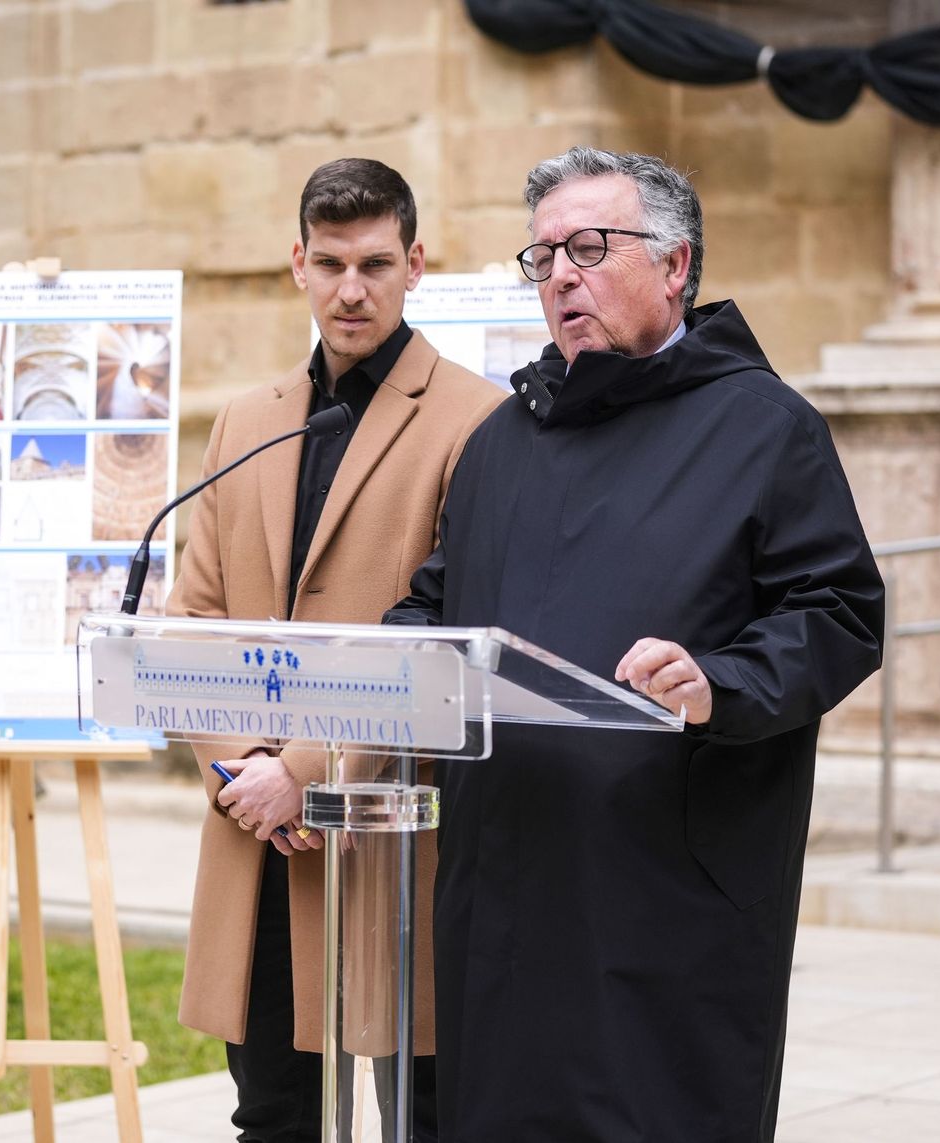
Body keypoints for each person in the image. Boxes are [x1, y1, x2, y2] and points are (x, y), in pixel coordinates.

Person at [386, 147, 885, 1141]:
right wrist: (391, 661)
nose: (561, 274)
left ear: (675, 265)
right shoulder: (500, 443)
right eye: (542, 257)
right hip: (503, 888)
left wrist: (720, 681)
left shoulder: (763, 428)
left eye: (588, 247)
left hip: (663, 890)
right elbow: (438, 604)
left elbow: (836, 611)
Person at [166, 158, 505, 1142]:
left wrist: (303, 772)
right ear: (296, 267)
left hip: (400, 838)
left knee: (424, 1116)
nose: (350, 289)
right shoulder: (246, 420)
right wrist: (242, 772)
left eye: (373, 264)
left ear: (414, 265)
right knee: (272, 1115)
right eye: (329, 264)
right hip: (258, 838)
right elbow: (193, 622)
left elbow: (449, 642)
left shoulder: (478, 423)